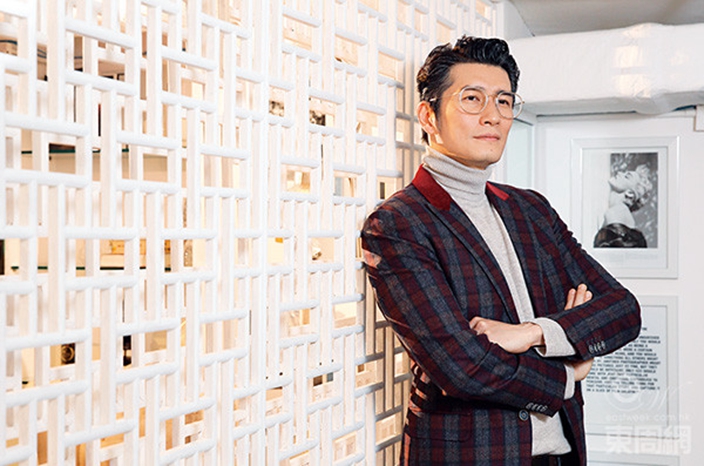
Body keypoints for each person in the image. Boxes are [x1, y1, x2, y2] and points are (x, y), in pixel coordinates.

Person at [361, 36, 641, 465]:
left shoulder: (531, 210)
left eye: (504, 101)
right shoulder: (399, 223)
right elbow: (462, 366)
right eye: (472, 98)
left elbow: (622, 308)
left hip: (559, 454)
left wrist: (534, 333)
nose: (492, 115)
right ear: (429, 116)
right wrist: (568, 373)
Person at [593, 163, 653, 248]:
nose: (619, 173)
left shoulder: (616, 212)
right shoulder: (618, 211)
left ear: (630, 193)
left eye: (626, 177)